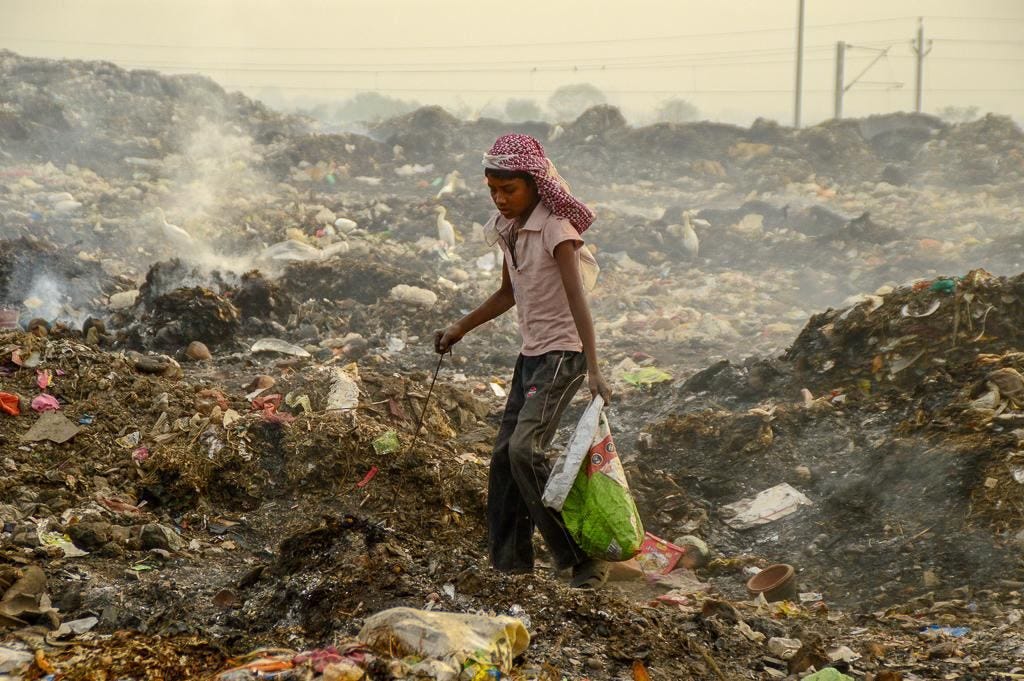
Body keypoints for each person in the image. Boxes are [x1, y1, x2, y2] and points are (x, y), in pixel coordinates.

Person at [434, 134, 612, 588]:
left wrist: (593, 368)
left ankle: (579, 557)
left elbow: (578, 299)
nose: (500, 198)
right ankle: (510, 564)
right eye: (493, 189)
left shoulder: (557, 230)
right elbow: (507, 294)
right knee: (501, 458)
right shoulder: (507, 228)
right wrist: (460, 327)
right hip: (532, 354)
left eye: (508, 190)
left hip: (563, 354)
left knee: (524, 450)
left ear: (534, 183)